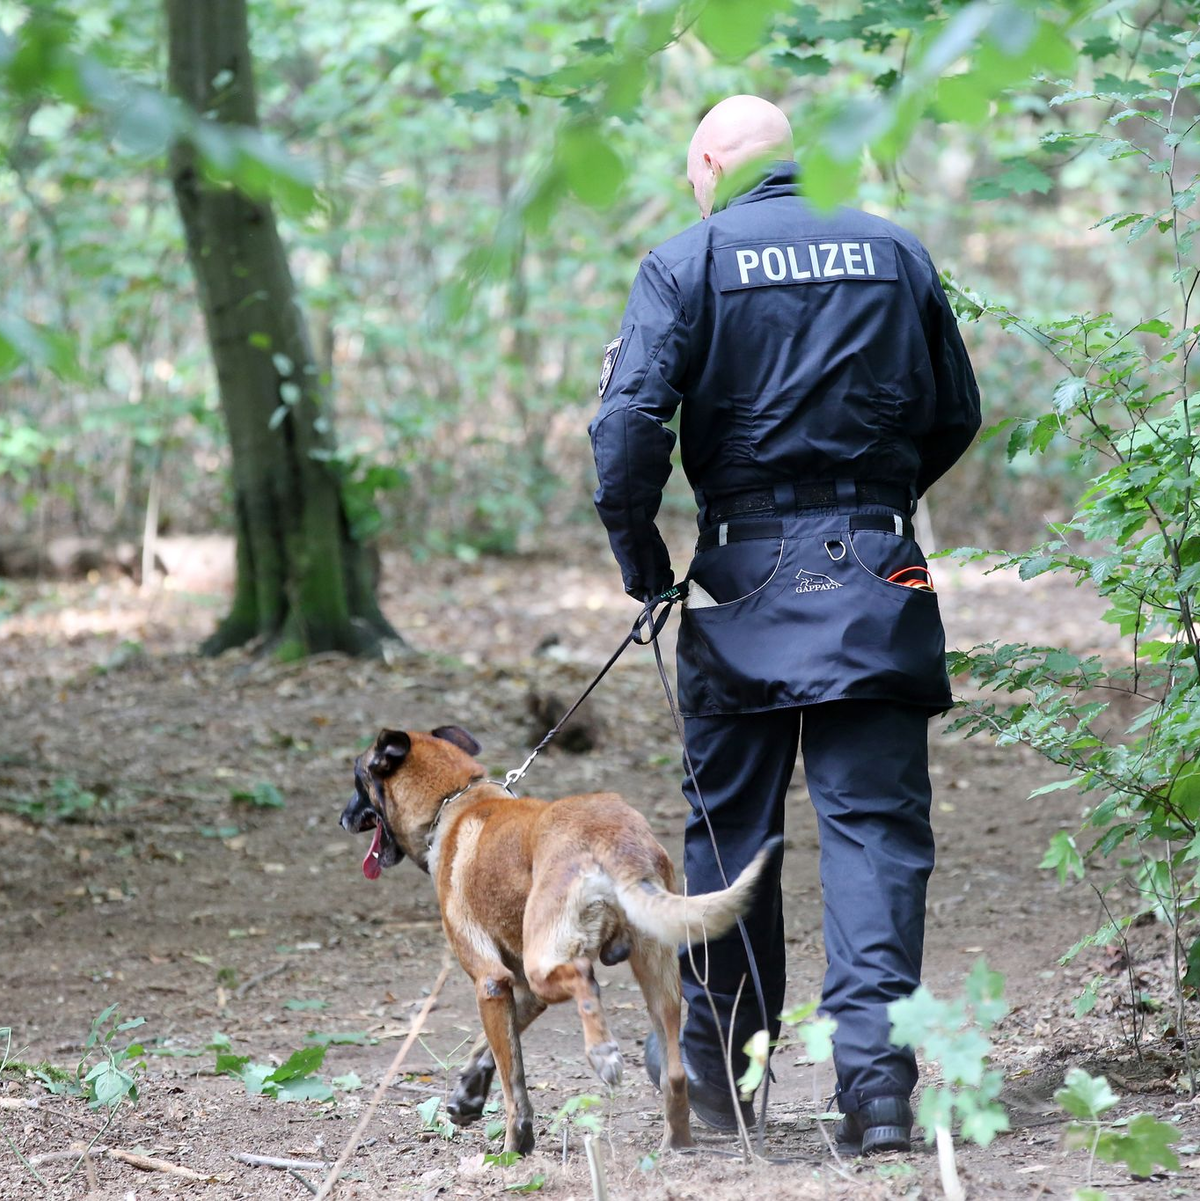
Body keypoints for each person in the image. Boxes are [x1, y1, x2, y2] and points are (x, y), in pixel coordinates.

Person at [588, 94, 980, 1154]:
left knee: (731, 836)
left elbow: (625, 437)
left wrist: (650, 570)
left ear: (711, 160)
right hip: (879, 575)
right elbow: (957, 412)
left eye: (693, 174)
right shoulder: (896, 250)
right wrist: (875, 498)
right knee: (877, 838)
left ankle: (721, 1081)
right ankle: (880, 1092)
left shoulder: (690, 259)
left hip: (739, 579)